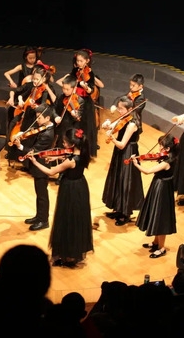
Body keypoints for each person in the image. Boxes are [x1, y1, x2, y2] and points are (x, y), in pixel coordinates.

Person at [27, 127, 93, 267]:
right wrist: (55, 157)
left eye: (65, 142)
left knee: (67, 219)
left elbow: (51, 172)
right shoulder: (82, 153)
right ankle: (72, 253)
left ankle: (67, 253)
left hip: (70, 190)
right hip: (80, 186)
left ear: (72, 144)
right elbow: (67, 155)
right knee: (75, 219)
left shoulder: (71, 161)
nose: (63, 144)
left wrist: (35, 162)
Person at [130, 134, 179, 259]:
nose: (159, 148)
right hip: (159, 186)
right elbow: (156, 159)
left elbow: (147, 172)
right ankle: (156, 242)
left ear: (167, 148)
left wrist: (136, 164)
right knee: (156, 214)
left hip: (162, 189)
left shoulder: (167, 162)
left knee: (161, 218)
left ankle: (161, 248)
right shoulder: (167, 157)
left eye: (161, 146)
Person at [12, 104, 56, 231]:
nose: (37, 120)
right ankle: (39, 216)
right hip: (38, 165)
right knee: (39, 193)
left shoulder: (47, 134)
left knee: (42, 195)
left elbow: (33, 152)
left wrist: (20, 146)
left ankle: (44, 220)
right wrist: (23, 133)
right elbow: (34, 132)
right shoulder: (44, 127)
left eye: (39, 118)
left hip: (41, 166)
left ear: (47, 118)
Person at [101, 96, 144, 225]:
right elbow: (111, 127)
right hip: (120, 152)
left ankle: (125, 213)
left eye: (121, 109)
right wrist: (106, 125)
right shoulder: (123, 118)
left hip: (128, 152)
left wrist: (112, 138)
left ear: (130, 109)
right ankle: (118, 208)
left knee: (126, 181)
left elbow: (122, 144)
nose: (119, 111)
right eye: (118, 108)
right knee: (118, 178)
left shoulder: (132, 124)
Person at [6, 62, 58, 165]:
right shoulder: (33, 87)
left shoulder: (46, 90)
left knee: (28, 137)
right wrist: (20, 99)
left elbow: (45, 105)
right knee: (12, 124)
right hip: (27, 113)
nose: (34, 81)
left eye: (36, 79)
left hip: (36, 117)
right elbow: (20, 94)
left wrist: (37, 107)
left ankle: (26, 160)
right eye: (33, 79)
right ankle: (13, 152)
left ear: (43, 79)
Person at [56, 49, 101, 157]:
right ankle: (69, 146)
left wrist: (85, 86)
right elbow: (70, 81)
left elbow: (91, 90)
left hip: (84, 102)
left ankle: (81, 150)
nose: (79, 63)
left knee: (83, 126)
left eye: (81, 61)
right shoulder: (75, 70)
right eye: (78, 61)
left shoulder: (90, 73)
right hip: (73, 98)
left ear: (87, 61)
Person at [4, 46, 42, 122]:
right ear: (25, 57)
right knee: (13, 111)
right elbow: (6, 73)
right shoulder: (21, 66)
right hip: (21, 91)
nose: (32, 60)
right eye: (30, 58)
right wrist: (12, 82)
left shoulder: (37, 67)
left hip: (32, 93)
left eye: (34, 58)